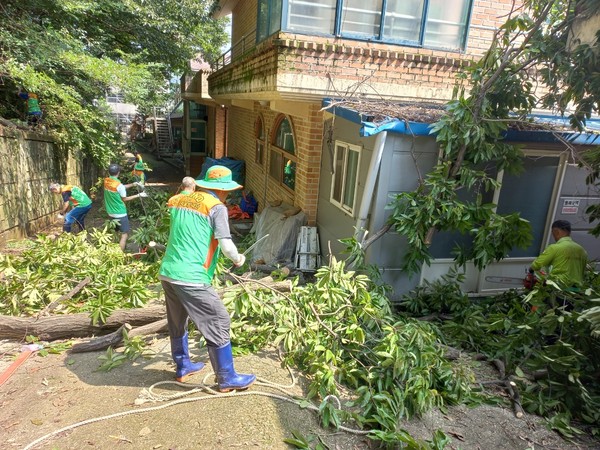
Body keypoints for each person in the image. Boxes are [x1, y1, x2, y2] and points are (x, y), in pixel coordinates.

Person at [159, 167, 255, 390]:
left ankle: (183, 366)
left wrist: (188, 187)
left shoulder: (179, 200)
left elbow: (183, 192)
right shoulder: (216, 207)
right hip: (191, 276)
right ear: (223, 190)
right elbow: (226, 245)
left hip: (168, 272)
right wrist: (238, 258)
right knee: (219, 320)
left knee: (177, 321)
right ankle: (227, 378)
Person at [530, 220, 588, 290]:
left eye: (552, 233)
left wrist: (531, 270)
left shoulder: (554, 248)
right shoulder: (582, 251)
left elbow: (537, 265)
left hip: (558, 289)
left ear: (556, 232)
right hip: (576, 290)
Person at [103, 163, 147, 251]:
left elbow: (120, 187)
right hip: (120, 213)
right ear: (118, 172)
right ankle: (120, 254)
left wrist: (133, 184)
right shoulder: (119, 185)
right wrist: (139, 195)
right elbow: (125, 199)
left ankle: (112, 251)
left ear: (109, 172)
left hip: (110, 212)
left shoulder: (106, 181)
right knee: (124, 235)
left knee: (115, 233)